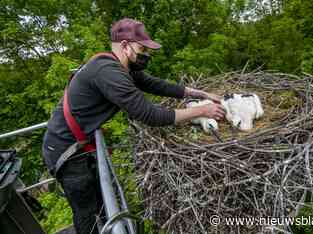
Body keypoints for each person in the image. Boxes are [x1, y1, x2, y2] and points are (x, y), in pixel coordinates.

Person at [41, 18, 225, 234]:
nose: (147, 55)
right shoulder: (108, 72)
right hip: (65, 151)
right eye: (142, 48)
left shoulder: (120, 67)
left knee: (101, 204)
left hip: (80, 145)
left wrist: (200, 94)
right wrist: (203, 110)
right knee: (86, 214)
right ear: (126, 46)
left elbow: (157, 85)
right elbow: (150, 115)